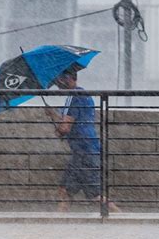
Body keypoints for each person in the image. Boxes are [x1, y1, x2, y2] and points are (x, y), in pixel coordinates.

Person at [44, 69, 120, 212]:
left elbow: (64, 128)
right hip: (86, 151)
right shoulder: (81, 95)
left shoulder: (75, 97)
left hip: (84, 152)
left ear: (66, 79)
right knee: (66, 191)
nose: (56, 83)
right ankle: (59, 223)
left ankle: (121, 218)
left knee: (94, 196)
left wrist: (57, 124)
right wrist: (54, 115)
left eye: (58, 80)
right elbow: (68, 125)